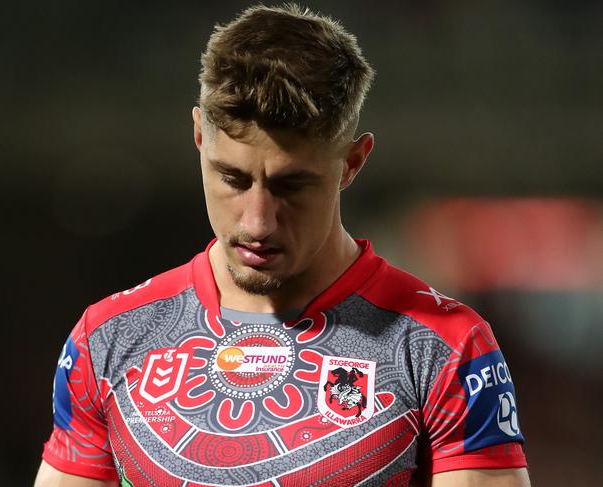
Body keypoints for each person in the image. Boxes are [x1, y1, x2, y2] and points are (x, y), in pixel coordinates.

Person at [35, 4, 530, 486]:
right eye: (232, 178)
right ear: (197, 138)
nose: (258, 221)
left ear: (353, 162)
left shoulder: (445, 349)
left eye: (291, 186)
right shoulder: (108, 340)